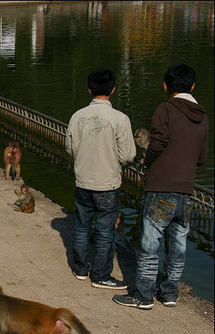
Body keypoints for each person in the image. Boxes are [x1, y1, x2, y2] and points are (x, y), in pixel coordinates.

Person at [113, 64, 209, 310]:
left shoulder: (165, 110)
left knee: (150, 243)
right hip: (186, 189)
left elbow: (156, 144)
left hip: (160, 187)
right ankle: (169, 293)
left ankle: (143, 295)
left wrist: (146, 162)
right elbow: (201, 157)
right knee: (178, 245)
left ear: (166, 86)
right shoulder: (203, 116)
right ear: (193, 86)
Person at [65, 68, 136, 290]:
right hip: (108, 183)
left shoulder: (77, 116)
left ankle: (80, 268)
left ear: (89, 89)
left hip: (83, 181)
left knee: (82, 225)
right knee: (105, 231)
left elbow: (70, 148)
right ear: (113, 90)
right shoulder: (120, 119)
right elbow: (128, 155)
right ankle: (101, 274)